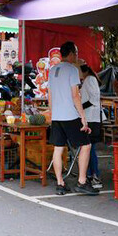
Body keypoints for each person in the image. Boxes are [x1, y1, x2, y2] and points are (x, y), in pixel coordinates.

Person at [47, 41, 98, 196]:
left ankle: (60, 183)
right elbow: (76, 95)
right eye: (76, 52)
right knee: (86, 145)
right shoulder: (72, 70)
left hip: (56, 116)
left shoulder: (52, 70)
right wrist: (83, 117)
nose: (77, 55)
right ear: (70, 54)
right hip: (70, 115)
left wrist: (51, 112)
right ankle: (82, 181)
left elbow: (49, 96)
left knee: (58, 148)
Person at [79, 64, 103, 190]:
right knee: (88, 148)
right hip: (90, 117)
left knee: (90, 148)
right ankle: (89, 174)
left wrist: (80, 107)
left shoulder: (90, 80)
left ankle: (94, 174)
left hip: (92, 119)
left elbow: (94, 99)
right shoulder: (88, 80)